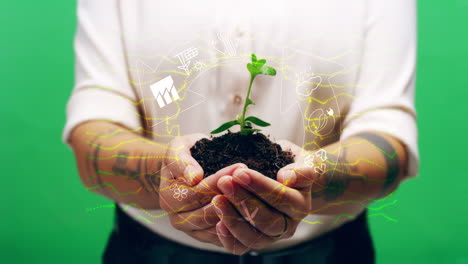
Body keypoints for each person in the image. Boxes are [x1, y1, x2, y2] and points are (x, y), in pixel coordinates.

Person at [64, 0, 418, 263]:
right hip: (153, 252)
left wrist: (307, 179)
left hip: (326, 252)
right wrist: (167, 175)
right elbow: (96, 126)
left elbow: (387, 135)